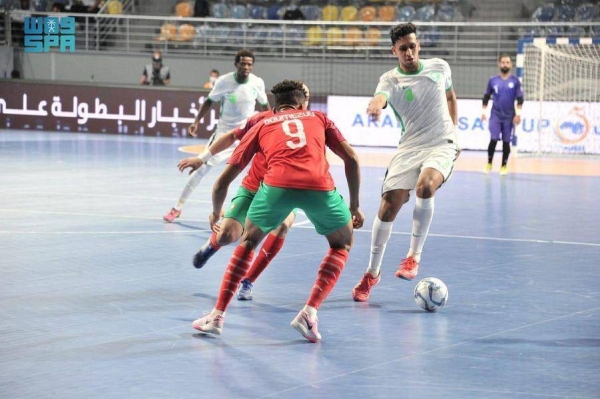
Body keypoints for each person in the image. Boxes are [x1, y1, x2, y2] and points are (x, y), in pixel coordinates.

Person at [191, 80, 364, 342]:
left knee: (248, 241)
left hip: (274, 187)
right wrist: (354, 206)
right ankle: (309, 312)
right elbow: (351, 158)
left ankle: (218, 315)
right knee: (341, 244)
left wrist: (215, 213)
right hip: (316, 186)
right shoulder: (319, 117)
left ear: (275, 104)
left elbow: (222, 181)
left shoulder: (263, 124)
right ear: (303, 103)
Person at [351, 22, 459, 302]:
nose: (409, 52)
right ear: (394, 51)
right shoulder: (390, 79)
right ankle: (372, 273)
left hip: (441, 143)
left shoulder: (439, 67)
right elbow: (381, 97)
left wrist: (454, 132)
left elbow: (450, 96)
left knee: (425, 187)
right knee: (388, 205)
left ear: (418, 45)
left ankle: (413, 257)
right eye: (403, 49)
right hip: (410, 146)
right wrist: (376, 105)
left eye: (412, 46)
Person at [177, 83, 312, 301]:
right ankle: (212, 245)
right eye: (303, 95)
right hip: (253, 187)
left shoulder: (312, 122)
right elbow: (231, 137)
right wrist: (201, 158)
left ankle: (248, 281)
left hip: (284, 192)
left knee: (284, 224)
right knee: (228, 235)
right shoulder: (261, 119)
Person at [163, 49, 270, 222]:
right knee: (200, 168)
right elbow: (209, 101)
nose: (246, 67)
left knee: (261, 171)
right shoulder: (224, 81)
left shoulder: (257, 83)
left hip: (246, 134)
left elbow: (266, 108)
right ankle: (177, 207)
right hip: (224, 134)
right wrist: (196, 121)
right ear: (236, 64)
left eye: (249, 64)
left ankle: (258, 212)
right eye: (243, 63)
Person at [481, 54, 524, 176]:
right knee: (493, 138)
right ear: (499, 64)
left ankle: (504, 166)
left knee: (506, 141)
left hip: (509, 116)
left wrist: (518, 114)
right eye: (503, 62)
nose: (505, 64)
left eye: (507, 62)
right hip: (496, 114)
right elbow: (486, 97)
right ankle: (489, 163)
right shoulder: (493, 80)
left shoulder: (515, 81)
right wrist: (483, 112)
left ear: (511, 65)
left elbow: (520, 99)